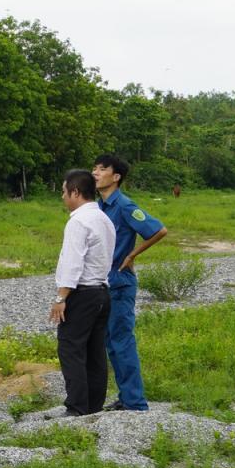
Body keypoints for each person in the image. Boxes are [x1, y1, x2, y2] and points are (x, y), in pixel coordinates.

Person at [92, 153, 168, 412]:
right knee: (110, 342)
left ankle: (135, 403)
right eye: (95, 169)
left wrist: (132, 255)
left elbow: (159, 229)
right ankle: (126, 397)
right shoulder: (99, 207)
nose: (96, 173)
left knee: (122, 341)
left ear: (116, 177)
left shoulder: (124, 205)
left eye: (102, 170)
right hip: (103, 282)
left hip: (120, 282)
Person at [53, 169, 116, 416]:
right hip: (102, 292)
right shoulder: (103, 219)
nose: (62, 197)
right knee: (94, 351)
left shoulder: (78, 221)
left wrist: (61, 298)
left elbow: (72, 263)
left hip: (82, 293)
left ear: (75, 192)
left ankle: (77, 407)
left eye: (63, 191)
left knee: (70, 348)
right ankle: (93, 405)